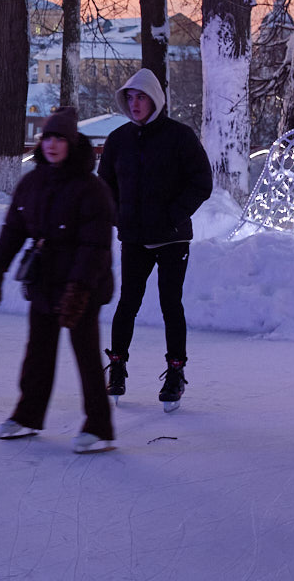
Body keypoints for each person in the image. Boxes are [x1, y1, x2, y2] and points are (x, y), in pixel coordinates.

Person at [0, 106, 116, 453]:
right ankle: (27, 416)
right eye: (48, 138)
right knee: (38, 353)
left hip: (81, 284)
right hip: (44, 279)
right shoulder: (33, 183)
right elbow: (13, 229)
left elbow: (96, 245)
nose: (53, 145)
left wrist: (79, 289)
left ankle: (99, 426)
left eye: (60, 138)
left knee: (86, 356)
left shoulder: (91, 188)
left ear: (72, 143)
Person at [97, 68, 212, 411]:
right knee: (127, 304)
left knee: (170, 305)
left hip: (172, 239)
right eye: (130, 98)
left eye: (141, 97)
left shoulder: (180, 137)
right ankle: (117, 368)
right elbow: (105, 187)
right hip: (134, 237)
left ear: (156, 100)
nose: (135, 104)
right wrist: (119, 217)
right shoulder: (118, 141)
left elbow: (201, 182)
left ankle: (175, 373)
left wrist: (174, 215)